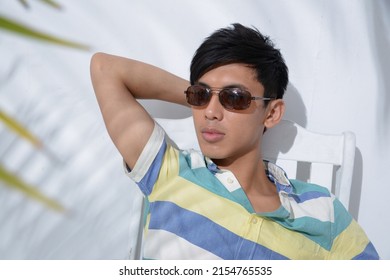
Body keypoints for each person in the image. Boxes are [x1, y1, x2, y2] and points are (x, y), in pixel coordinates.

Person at [90, 23, 379, 259]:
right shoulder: (169, 171)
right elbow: (105, 69)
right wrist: (206, 95)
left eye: (235, 98)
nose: (211, 114)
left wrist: (209, 95)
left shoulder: (322, 209)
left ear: (272, 113)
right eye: (200, 96)